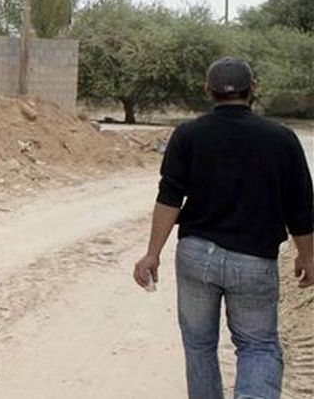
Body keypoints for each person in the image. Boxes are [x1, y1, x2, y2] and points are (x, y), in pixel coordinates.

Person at [133, 57, 313, 399]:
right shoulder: (282, 139)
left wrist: (152, 254)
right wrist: (308, 256)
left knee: (199, 346)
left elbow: (170, 196)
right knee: (258, 346)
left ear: (208, 90)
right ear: (254, 89)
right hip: (254, 261)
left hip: (196, 256)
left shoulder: (188, 135)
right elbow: (301, 208)